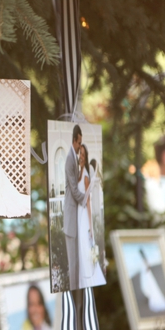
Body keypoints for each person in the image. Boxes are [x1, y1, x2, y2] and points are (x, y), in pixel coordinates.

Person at [77, 144, 106, 288]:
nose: (81, 157)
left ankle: (88, 276)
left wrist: (90, 227)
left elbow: (88, 203)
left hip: (83, 217)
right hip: (77, 215)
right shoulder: (78, 173)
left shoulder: (86, 176)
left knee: (84, 244)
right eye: (79, 154)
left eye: (83, 155)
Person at [63, 124, 86, 290]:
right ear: (74, 140)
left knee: (78, 261)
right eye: (79, 144)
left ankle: (77, 288)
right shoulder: (70, 159)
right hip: (71, 218)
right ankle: (73, 291)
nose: (79, 147)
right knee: (73, 262)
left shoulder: (75, 158)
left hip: (76, 218)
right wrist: (87, 198)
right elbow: (73, 188)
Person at [139, 248, 165, 313]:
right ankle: (152, 297)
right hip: (147, 274)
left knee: (150, 286)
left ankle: (153, 298)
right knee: (150, 285)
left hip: (147, 274)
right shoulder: (144, 259)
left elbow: (147, 266)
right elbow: (147, 266)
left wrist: (146, 270)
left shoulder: (144, 260)